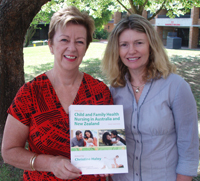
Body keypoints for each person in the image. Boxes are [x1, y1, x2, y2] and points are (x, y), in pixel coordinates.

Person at [1, 6, 113, 181]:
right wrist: (50, 163)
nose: (72, 48)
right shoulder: (29, 93)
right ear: (51, 45)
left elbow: (107, 146)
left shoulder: (99, 92)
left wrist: (108, 159)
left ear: (86, 48)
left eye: (80, 42)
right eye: (64, 40)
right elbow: (9, 152)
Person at [102, 14, 199, 181]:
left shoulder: (176, 87)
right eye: (124, 45)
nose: (131, 50)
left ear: (151, 46)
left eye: (139, 43)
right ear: (116, 50)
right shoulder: (114, 90)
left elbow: (189, 146)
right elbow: (109, 141)